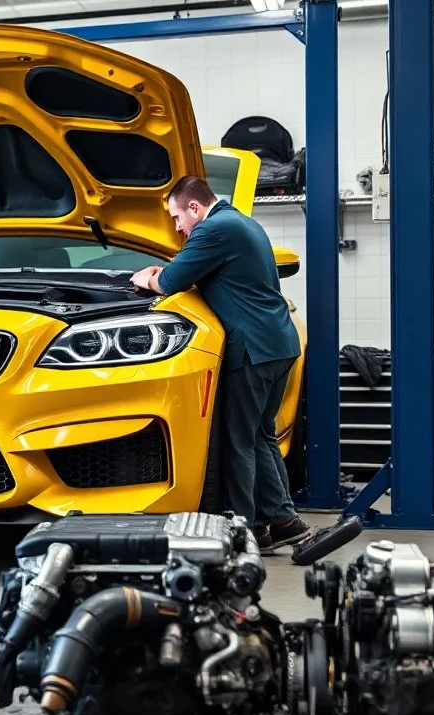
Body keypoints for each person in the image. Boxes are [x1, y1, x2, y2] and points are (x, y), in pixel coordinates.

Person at [129, 175, 311, 553]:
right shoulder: (242, 221)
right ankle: (281, 521)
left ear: (194, 207)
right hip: (280, 342)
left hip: (254, 349)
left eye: (178, 218)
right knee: (262, 435)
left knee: (239, 441)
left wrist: (146, 277)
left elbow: (171, 281)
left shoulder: (213, 230)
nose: (177, 228)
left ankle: (245, 530)